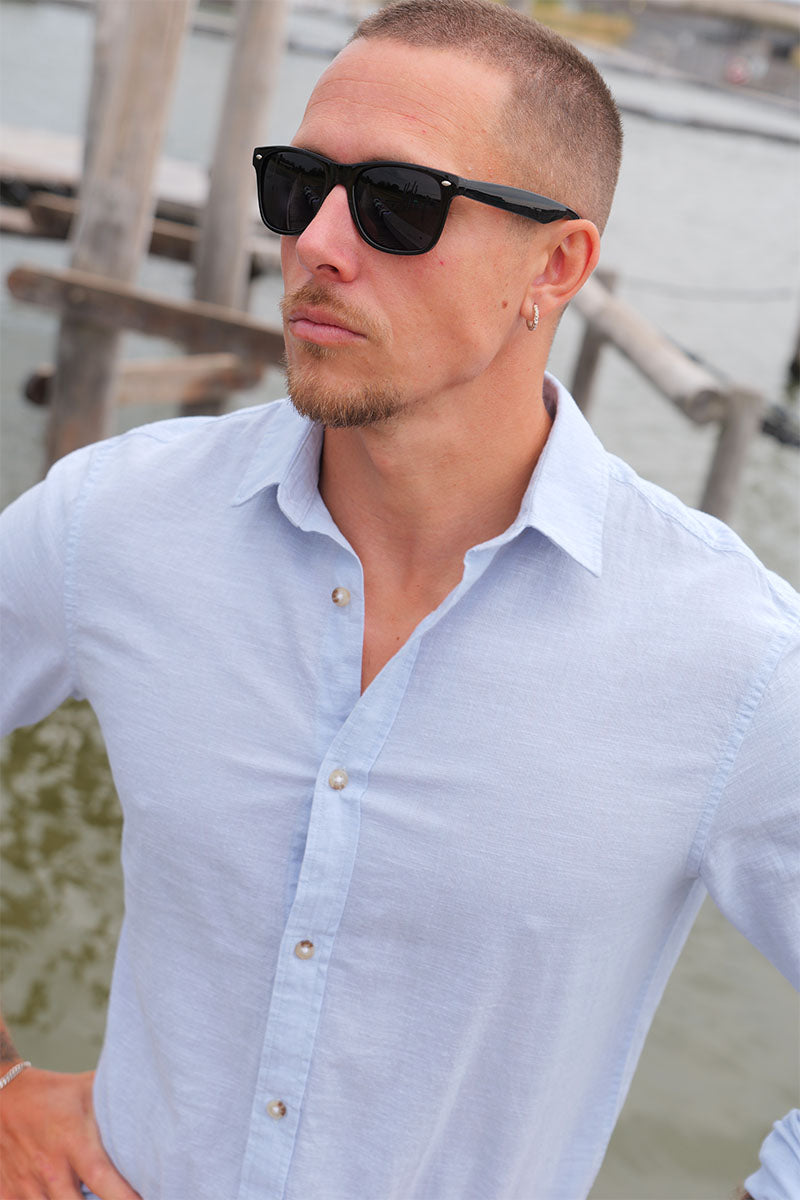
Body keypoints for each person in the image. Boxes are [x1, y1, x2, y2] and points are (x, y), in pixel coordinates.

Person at [0, 1, 797, 1197]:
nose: (316, 242)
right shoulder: (115, 518)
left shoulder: (729, 656)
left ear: (554, 266)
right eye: (296, 185)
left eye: (397, 203)